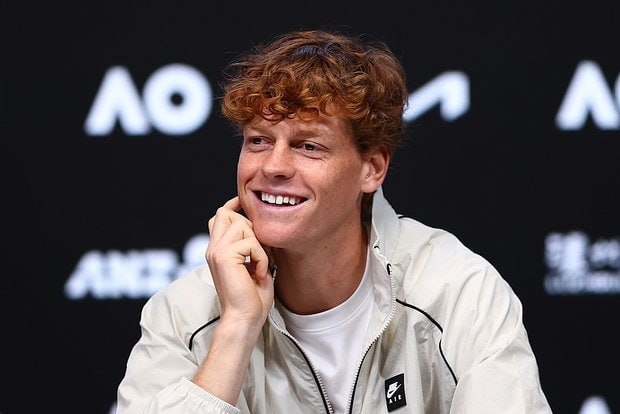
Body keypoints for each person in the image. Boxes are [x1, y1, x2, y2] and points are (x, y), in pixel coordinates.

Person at [116, 29, 552, 413]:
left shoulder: (456, 291)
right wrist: (236, 327)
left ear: (372, 169)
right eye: (259, 141)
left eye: (309, 146)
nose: (273, 166)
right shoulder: (184, 314)